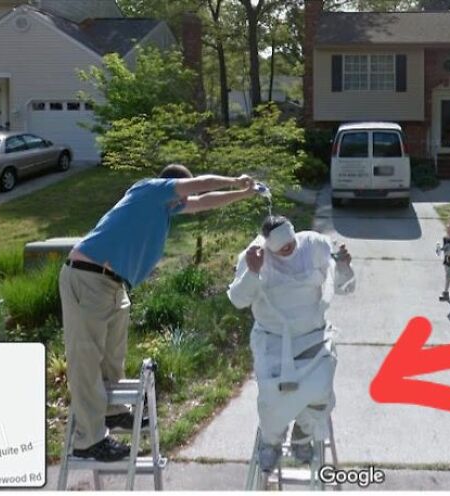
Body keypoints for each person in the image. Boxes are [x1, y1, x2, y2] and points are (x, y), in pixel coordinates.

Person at [60, 164, 257, 462]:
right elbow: (199, 187)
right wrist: (234, 177)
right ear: (172, 186)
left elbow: (203, 201)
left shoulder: (165, 209)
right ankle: (88, 440)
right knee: (86, 359)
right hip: (88, 276)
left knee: (113, 357)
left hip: (113, 285)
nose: (183, 202)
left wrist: (241, 194)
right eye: (181, 193)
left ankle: (113, 413)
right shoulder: (149, 189)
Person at [227, 216, 355, 474]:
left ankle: (303, 433)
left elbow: (345, 288)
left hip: (314, 335)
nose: (288, 249)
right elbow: (238, 300)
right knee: (273, 393)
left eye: (291, 243)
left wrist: (343, 266)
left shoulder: (315, 245)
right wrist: (252, 272)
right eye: (281, 247)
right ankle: (271, 439)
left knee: (320, 389)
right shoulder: (254, 255)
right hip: (273, 339)